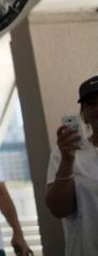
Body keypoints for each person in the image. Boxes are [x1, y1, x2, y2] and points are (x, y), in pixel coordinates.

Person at [45, 75, 98, 256]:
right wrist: (68, 160)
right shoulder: (65, 152)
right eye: (91, 104)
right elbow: (59, 209)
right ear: (83, 114)